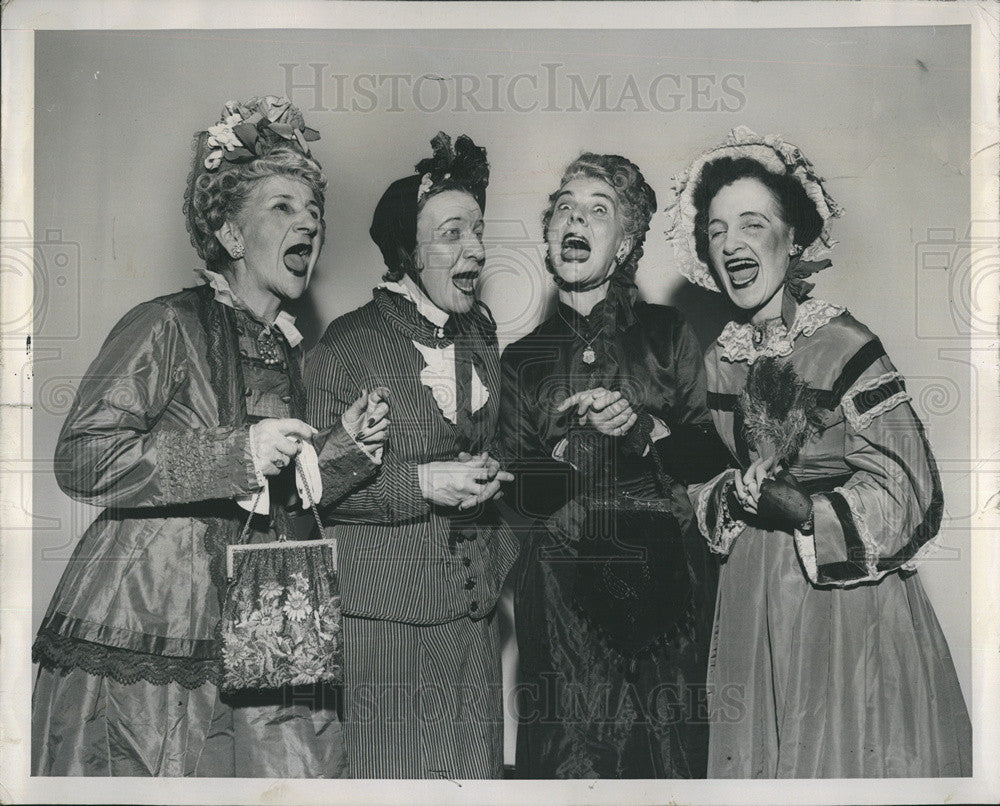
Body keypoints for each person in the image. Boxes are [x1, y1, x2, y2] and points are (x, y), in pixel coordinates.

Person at [31, 96, 387, 777]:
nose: (308, 219)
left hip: (263, 627)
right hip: (154, 627)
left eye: (313, 209)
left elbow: (279, 496)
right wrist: (234, 453)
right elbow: (81, 456)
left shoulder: (288, 352)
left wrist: (342, 451)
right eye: (282, 205)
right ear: (228, 233)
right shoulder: (166, 323)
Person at [665, 126, 972, 777]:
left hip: (845, 613)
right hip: (751, 605)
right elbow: (713, 476)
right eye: (717, 231)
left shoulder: (846, 346)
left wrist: (807, 512)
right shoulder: (721, 359)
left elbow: (914, 493)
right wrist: (726, 496)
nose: (732, 244)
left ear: (794, 237)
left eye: (752, 223)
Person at [498, 153, 733, 779]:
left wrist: (642, 428)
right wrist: (570, 451)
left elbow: (711, 459)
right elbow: (514, 499)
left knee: (668, 760)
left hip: (667, 594)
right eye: (565, 209)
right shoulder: (522, 359)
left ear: (624, 242)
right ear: (550, 236)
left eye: (597, 211)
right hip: (562, 606)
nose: (576, 219)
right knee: (573, 763)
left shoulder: (666, 332)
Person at [304, 132, 518, 779]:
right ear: (406, 251)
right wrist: (422, 482)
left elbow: (485, 441)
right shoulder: (345, 346)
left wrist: (493, 477)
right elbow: (307, 490)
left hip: (471, 621)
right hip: (384, 630)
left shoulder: (480, 333)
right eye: (452, 234)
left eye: (477, 231)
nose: (475, 250)